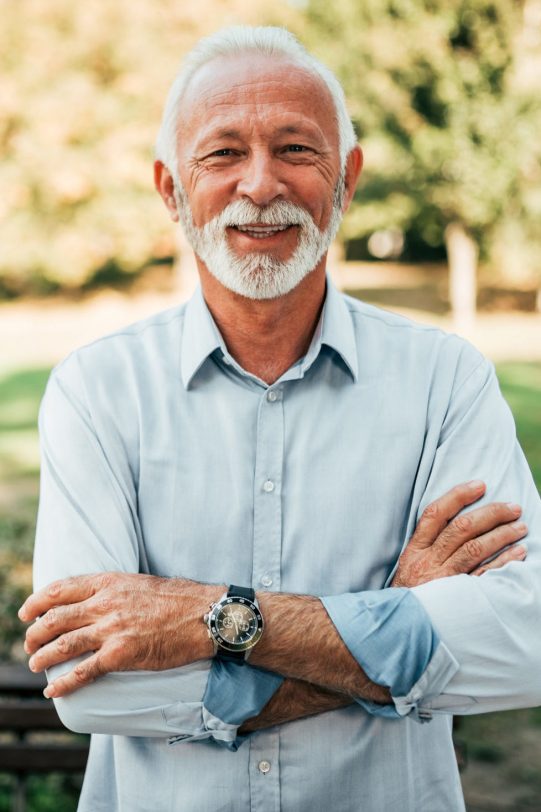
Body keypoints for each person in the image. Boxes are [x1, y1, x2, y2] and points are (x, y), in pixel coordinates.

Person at [18, 25, 540, 812]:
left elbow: (521, 643)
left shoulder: (444, 379)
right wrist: (394, 624)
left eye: (296, 149)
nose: (260, 185)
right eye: (222, 153)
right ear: (170, 190)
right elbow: (91, 691)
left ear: (346, 179)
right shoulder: (98, 389)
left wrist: (203, 621)